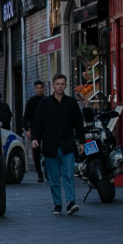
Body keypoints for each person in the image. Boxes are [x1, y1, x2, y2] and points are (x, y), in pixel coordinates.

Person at [31, 73, 84, 215]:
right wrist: (35, 138)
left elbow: (78, 123)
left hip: (67, 144)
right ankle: (57, 204)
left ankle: (71, 202)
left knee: (68, 175)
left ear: (66, 86)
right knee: (54, 178)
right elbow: (37, 123)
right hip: (50, 145)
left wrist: (81, 141)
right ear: (53, 86)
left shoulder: (71, 103)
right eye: (58, 84)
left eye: (62, 84)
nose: (60, 86)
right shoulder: (45, 103)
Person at [22, 80, 47, 182]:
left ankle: (47, 172)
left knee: (47, 150)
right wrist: (27, 129)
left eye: (41, 88)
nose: (39, 90)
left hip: (46, 129)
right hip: (35, 129)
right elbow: (26, 116)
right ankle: (39, 174)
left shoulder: (47, 100)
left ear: (43, 88)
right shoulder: (31, 101)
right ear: (35, 89)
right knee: (36, 152)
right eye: (37, 88)